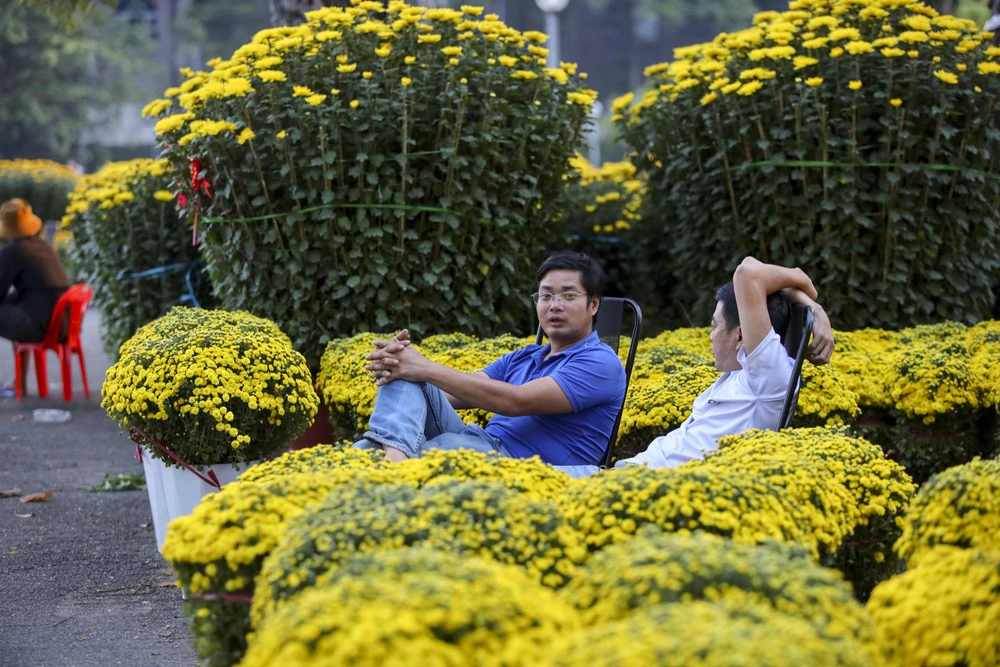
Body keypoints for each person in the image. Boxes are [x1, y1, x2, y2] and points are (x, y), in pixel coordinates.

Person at [558, 257, 834, 477]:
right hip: (624, 474)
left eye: (715, 326)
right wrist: (810, 304)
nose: (710, 335)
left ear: (741, 336)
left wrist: (803, 284)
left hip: (640, 485)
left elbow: (748, 273)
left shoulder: (768, 377)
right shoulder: (741, 376)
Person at [356, 251, 627, 465]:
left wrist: (425, 367)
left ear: (593, 305)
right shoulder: (525, 356)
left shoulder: (601, 362)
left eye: (568, 295)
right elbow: (457, 394)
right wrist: (399, 365)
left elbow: (514, 401)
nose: (554, 304)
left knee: (367, 453)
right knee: (403, 371)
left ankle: (393, 461)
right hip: (477, 442)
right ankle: (396, 459)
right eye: (546, 296)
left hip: (517, 464)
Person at [0, 199, 72, 396]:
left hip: (41, 325)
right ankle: (18, 381)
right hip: (63, 323)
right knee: (13, 306)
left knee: (10, 310)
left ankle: (18, 382)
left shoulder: (13, 251)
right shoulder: (42, 246)